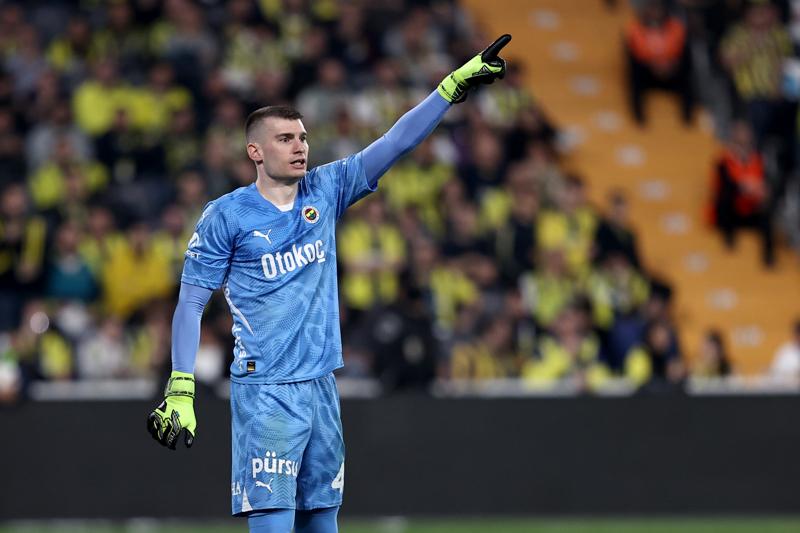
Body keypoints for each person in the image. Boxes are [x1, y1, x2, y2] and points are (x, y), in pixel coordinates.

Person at [146, 35, 512, 533]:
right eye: (285, 139)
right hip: (267, 390)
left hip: (321, 386)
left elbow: (395, 143)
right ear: (255, 151)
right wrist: (181, 387)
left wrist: (449, 88)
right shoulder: (226, 216)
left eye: (302, 137)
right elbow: (190, 302)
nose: (300, 146)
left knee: (322, 520)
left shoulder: (325, 188)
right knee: (273, 522)